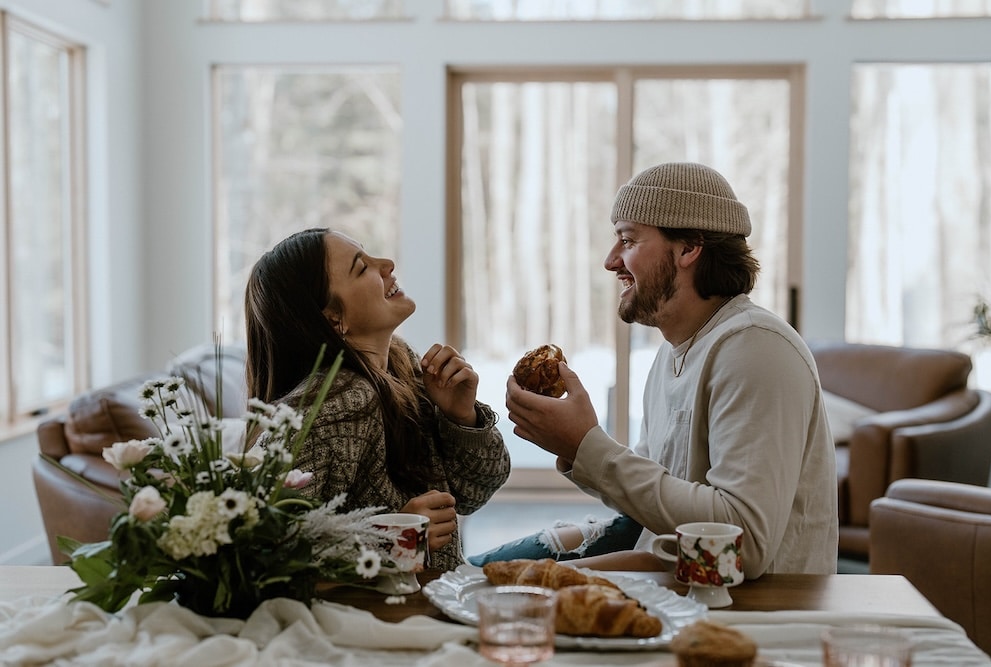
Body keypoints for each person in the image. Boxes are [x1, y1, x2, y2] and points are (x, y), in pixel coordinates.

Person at [473, 162, 838, 578]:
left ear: (689, 248)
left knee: (485, 585)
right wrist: (574, 447)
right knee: (474, 576)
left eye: (628, 240)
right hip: (674, 575)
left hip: (746, 605)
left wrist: (586, 445)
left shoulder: (756, 348)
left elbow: (741, 545)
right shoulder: (675, 352)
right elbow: (656, 497)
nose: (611, 261)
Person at [245, 227, 511, 571]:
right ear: (333, 319)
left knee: (572, 541)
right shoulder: (340, 404)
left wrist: (461, 419)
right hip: (397, 603)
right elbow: (264, 546)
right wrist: (391, 537)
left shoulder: (402, 365)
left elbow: (474, 493)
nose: (387, 264)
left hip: (441, 586)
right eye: (362, 267)